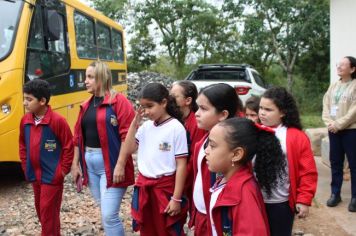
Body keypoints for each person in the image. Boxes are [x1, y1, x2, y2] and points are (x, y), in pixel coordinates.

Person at [71, 60, 135, 235]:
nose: (86, 81)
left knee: (108, 215)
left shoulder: (119, 102)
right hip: (90, 166)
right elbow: (77, 136)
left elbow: (127, 136)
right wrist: (75, 164)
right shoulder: (86, 105)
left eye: (90, 77)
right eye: (86, 77)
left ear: (101, 78)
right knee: (105, 211)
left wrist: (121, 165)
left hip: (112, 166)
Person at [116, 82, 189, 235]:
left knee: (167, 231)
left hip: (165, 189)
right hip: (144, 186)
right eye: (143, 107)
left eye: (150, 106)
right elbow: (129, 149)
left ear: (163, 103)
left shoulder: (176, 128)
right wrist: (134, 125)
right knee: (147, 230)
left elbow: (181, 164)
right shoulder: (145, 127)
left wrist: (176, 199)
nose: (146, 111)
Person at [207, 118, 286, 236]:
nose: (206, 151)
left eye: (212, 146)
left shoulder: (243, 193)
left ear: (236, 154)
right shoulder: (226, 179)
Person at [259, 87, 318, 236]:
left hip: (282, 204)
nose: (262, 112)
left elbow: (308, 171)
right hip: (255, 201)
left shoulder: (296, 137)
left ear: (283, 112)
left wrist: (304, 199)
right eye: (260, 108)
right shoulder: (253, 132)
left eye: (268, 109)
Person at [19, 79, 74, 236]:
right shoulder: (25, 121)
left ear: (42, 101)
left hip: (52, 177)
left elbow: (68, 147)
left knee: (47, 212)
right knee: (42, 212)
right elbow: (22, 145)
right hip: (34, 176)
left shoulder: (58, 121)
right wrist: (25, 166)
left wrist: (61, 172)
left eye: (29, 99)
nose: (24, 103)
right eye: (24, 98)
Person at [192, 83, 239, 235]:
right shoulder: (203, 141)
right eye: (197, 107)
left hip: (216, 219)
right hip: (202, 213)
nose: (197, 113)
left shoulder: (229, 150)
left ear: (223, 115)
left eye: (204, 109)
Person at [322, 56, 356, 212]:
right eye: (338, 64)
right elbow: (326, 104)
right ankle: (335, 193)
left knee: (354, 164)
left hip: (351, 131)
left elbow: (353, 111)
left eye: (343, 65)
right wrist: (329, 123)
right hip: (333, 130)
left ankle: (355, 197)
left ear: (352, 69)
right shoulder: (333, 86)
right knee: (335, 163)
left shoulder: (355, 85)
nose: (339, 67)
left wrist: (339, 124)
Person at [170, 80, 207, 225]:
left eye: (174, 96)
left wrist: (177, 184)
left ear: (188, 100)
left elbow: (193, 159)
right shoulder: (173, 120)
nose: (170, 99)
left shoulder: (196, 124)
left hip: (188, 180)